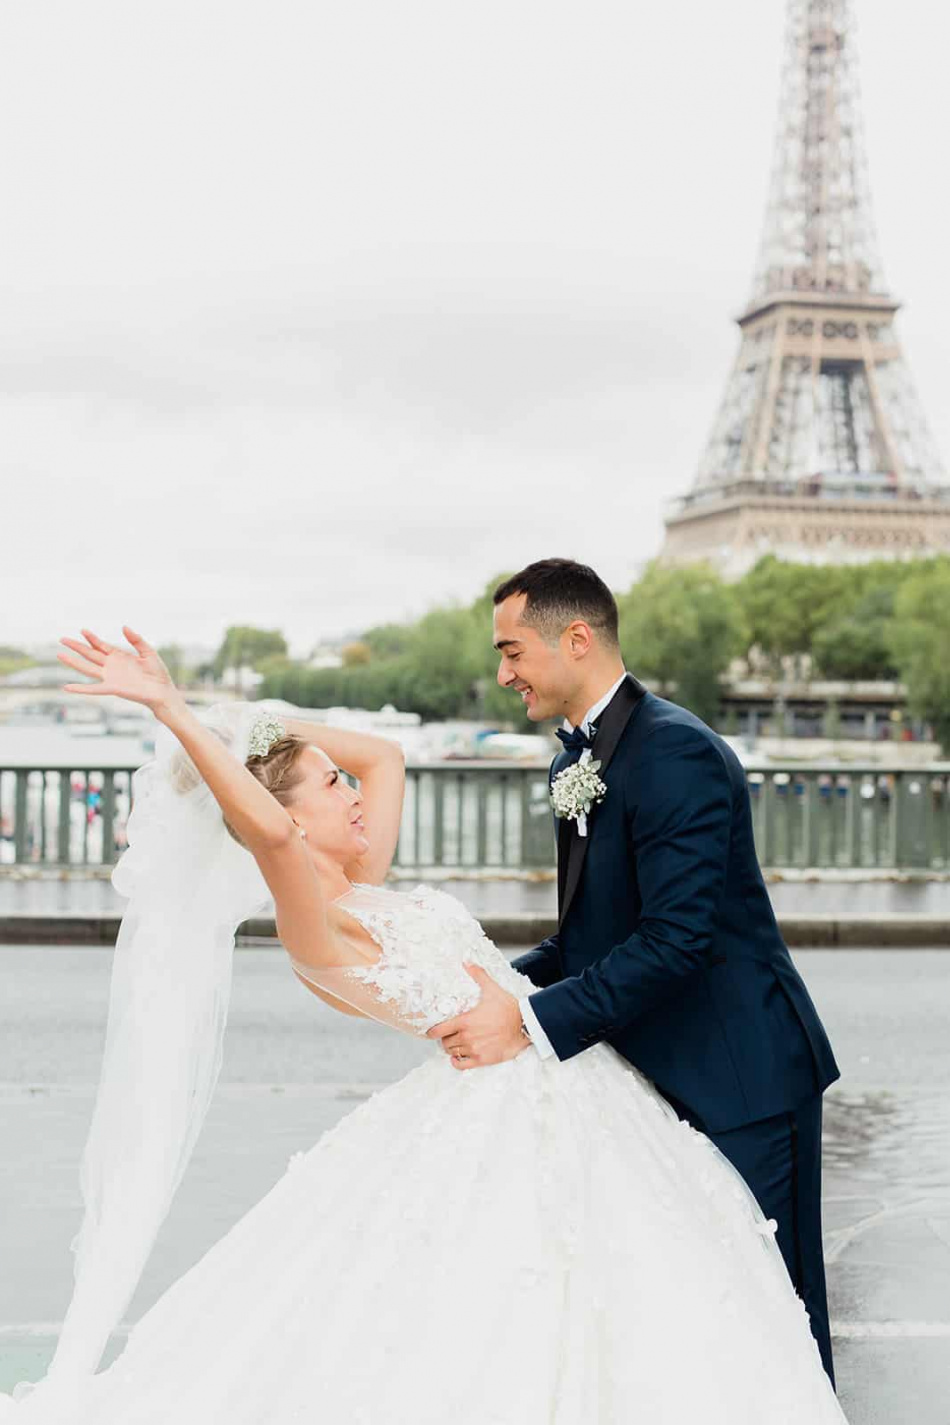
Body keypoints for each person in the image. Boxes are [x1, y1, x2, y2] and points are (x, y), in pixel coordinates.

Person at [0, 620, 847, 1423]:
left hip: (555, 1069)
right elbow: (264, 826)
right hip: (508, 1097)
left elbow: (385, 751)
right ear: (291, 821)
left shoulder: (362, 877)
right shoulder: (312, 913)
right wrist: (173, 711)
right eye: (332, 785)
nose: (351, 788)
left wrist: (254, 721)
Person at [428, 558, 840, 1386]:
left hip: (742, 1078)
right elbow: (589, 938)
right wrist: (490, 985)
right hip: (655, 1080)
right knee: (703, 1311)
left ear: (575, 638)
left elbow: (676, 941)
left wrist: (527, 1023)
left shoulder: (677, 751)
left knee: (779, 1319)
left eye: (512, 651)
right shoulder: (572, 763)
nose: (502, 672)